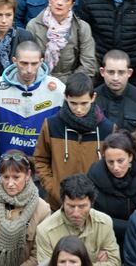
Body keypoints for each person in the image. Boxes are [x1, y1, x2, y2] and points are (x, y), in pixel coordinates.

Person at [34, 73, 115, 210]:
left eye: (84, 103)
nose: (78, 109)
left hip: (96, 207)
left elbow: (113, 167)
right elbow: (41, 160)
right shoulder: (51, 125)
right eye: (73, 103)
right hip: (58, 205)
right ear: (65, 97)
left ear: (93, 97)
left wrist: (100, 196)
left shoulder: (108, 129)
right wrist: (54, 189)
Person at [0, 40, 66, 156]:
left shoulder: (57, 88)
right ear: (15, 61)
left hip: (43, 165)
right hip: (6, 165)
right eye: (24, 63)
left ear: (41, 62)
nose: (29, 70)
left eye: (34, 64)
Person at [0, 151, 50, 266]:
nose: (10, 183)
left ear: (28, 175)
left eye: (16, 177)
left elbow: (38, 255)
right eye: (6, 177)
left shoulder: (42, 209)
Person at [34, 174, 120, 265]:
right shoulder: (45, 230)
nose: (76, 213)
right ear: (63, 203)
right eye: (71, 206)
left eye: (82, 206)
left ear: (91, 203)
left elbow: (115, 262)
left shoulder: (104, 223)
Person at [26, 0, 97, 82]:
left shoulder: (82, 28)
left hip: (70, 85)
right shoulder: (33, 26)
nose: (59, 3)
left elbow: (88, 65)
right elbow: (28, 61)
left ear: (72, 5)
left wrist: (65, 84)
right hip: (38, 81)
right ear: (49, 0)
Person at [87, 130, 136, 245]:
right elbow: (93, 216)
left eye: (120, 161)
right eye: (110, 162)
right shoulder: (94, 176)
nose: (115, 167)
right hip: (103, 238)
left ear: (130, 157)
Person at [95, 50, 136, 132]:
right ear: (102, 72)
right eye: (111, 72)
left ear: (129, 73)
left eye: (121, 72)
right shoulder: (91, 100)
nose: (115, 78)